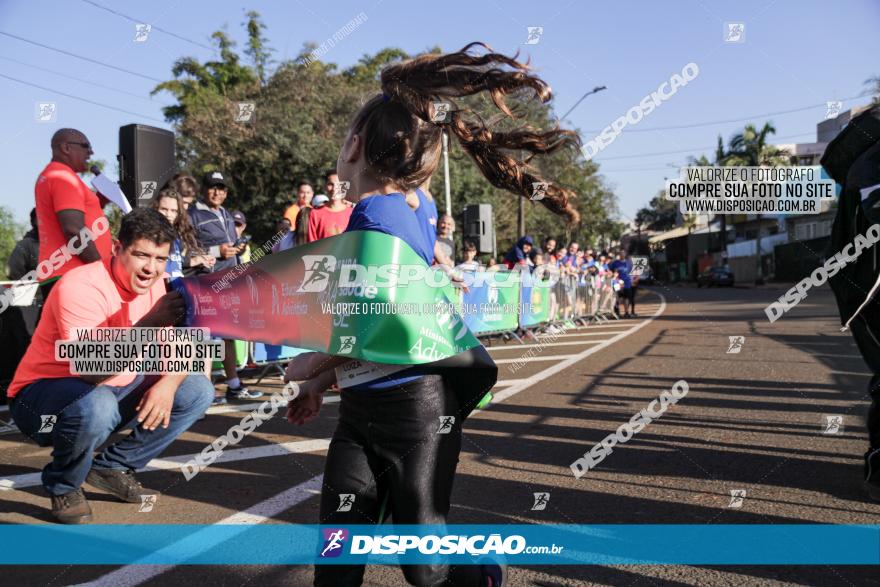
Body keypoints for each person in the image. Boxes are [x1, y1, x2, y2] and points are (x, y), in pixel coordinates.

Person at [283, 42, 578, 587]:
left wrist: (312, 363)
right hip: (367, 407)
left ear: (353, 145)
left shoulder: (375, 212)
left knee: (425, 567)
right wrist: (324, 380)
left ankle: (482, 575)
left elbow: (387, 314)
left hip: (414, 414)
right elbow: (388, 317)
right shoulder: (417, 205)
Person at [6, 208, 214, 524]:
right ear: (117, 248)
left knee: (197, 388)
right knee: (97, 404)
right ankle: (64, 484)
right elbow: (90, 370)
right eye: (141, 255)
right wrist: (149, 323)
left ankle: (113, 466)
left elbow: (183, 350)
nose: (151, 269)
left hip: (106, 389)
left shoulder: (157, 284)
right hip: (40, 400)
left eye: (160, 259)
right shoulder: (80, 286)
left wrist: (169, 384)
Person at [188, 171, 261, 402]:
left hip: (228, 281)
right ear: (204, 189)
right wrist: (215, 252)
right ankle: (203, 393)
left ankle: (233, 385)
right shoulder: (191, 215)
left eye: (221, 188)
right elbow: (184, 252)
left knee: (227, 335)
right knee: (206, 338)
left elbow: (230, 248)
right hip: (205, 282)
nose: (217, 192)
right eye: (212, 187)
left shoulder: (227, 215)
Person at [34, 129, 112, 305]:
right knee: (79, 333)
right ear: (66, 148)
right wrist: (101, 269)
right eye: (86, 146)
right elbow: (73, 230)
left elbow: (76, 219)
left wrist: (100, 200)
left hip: (65, 273)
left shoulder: (56, 175)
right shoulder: (63, 177)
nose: (91, 152)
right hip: (72, 273)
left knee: (58, 332)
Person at [151, 188, 214, 279]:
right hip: (161, 288)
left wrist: (197, 260)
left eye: (173, 211)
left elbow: (175, 261)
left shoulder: (177, 235)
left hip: (177, 286)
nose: (168, 214)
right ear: (156, 208)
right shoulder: (149, 235)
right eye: (164, 209)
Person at [308, 173, 354, 241]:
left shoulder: (353, 213)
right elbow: (311, 246)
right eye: (330, 184)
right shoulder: (315, 214)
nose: (334, 188)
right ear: (325, 186)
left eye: (338, 184)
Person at [609, 250, 634, 318]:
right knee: (617, 297)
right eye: (621, 254)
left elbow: (632, 272)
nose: (622, 255)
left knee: (627, 298)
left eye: (623, 253)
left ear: (625, 254)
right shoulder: (615, 263)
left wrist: (632, 280)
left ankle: (626, 312)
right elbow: (611, 271)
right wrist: (615, 277)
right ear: (619, 255)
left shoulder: (628, 263)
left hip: (627, 283)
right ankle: (617, 312)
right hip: (617, 283)